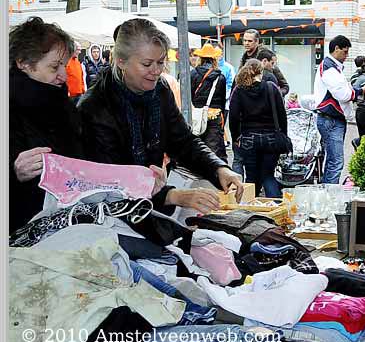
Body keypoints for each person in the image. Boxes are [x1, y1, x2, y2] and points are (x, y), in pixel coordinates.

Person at [79, 18, 244, 214]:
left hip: (151, 206)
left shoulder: (160, 89)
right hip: (114, 216)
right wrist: (173, 196)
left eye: (160, 62)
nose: (156, 71)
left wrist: (218, 169)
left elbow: (183, 140)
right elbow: (111, 180)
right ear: (121, 61)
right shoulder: (94, 107)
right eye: (147, 64)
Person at [9, 17, 83, 232]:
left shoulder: (64, 105)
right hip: (22, 233)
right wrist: (13, 172)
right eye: (54, 67)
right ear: (23, 62)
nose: (63, 75)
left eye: (64, 65)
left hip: (67, 222)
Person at [313, 35, 365, 184]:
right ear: (336, 49)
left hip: (332, 119)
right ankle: (329, 196)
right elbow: (343, 94)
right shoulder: (329, 67)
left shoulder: (332, 67)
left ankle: (328, 192)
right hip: (331, 119)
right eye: (345, 52)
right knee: (335, 162)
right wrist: (362, 90)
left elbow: (344, 91)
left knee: (332, 161)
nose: (346, 56)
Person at [229, 59, 286, 198]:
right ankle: (276, 208)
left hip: (249, 139)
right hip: (271, 138)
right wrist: (283, 135)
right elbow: (282, 115)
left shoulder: (239, 90)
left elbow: (234, 116)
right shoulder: (271, 87)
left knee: (252, 178)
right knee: (268, 176)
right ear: (261, 72)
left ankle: (250, 209)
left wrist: (236, 137)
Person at [190, 43, 228, 163]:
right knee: (214, 149)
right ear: (214, 59)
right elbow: (222, 100)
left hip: (197, 115)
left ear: (200, 58)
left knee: (198, 145)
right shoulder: (220, 77)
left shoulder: (193, 74)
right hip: (215, 115)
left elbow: (190, 96)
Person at [239, 29, 289, 96]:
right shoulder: (244, 59)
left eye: (250, 41)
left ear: (257, 41)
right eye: (245, 40)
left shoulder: (266, 59)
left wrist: (274, 96)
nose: (246, 43)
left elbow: (285, 86)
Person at [65, 40, 86, 105]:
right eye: (78, 50)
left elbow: (81, 77)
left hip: (79, 94)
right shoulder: (66, 61)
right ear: (72, 49)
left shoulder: (77, 62)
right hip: (70, 95)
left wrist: (83, 90)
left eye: (80, 50)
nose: (79, 52)